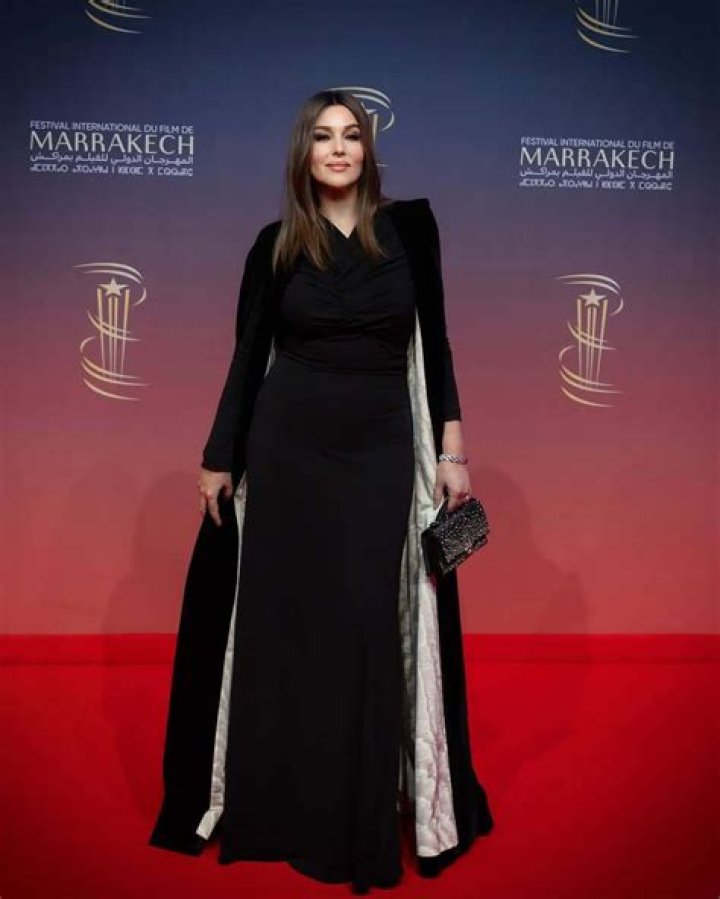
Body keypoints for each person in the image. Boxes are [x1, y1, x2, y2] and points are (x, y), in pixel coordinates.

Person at [149, 89, 494, 895]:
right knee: (292, 628)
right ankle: (281, 806)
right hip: (289, 451)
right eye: (322, 137)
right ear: (303, 156)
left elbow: (436, 343)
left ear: (368, 152)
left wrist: (453, 448)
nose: (338, 149)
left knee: (370, 620)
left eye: (351, 136)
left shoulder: (413, 231)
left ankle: (358, 815)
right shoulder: (274, 246)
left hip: (380, 449)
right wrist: (218, 456)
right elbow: (246, 359)